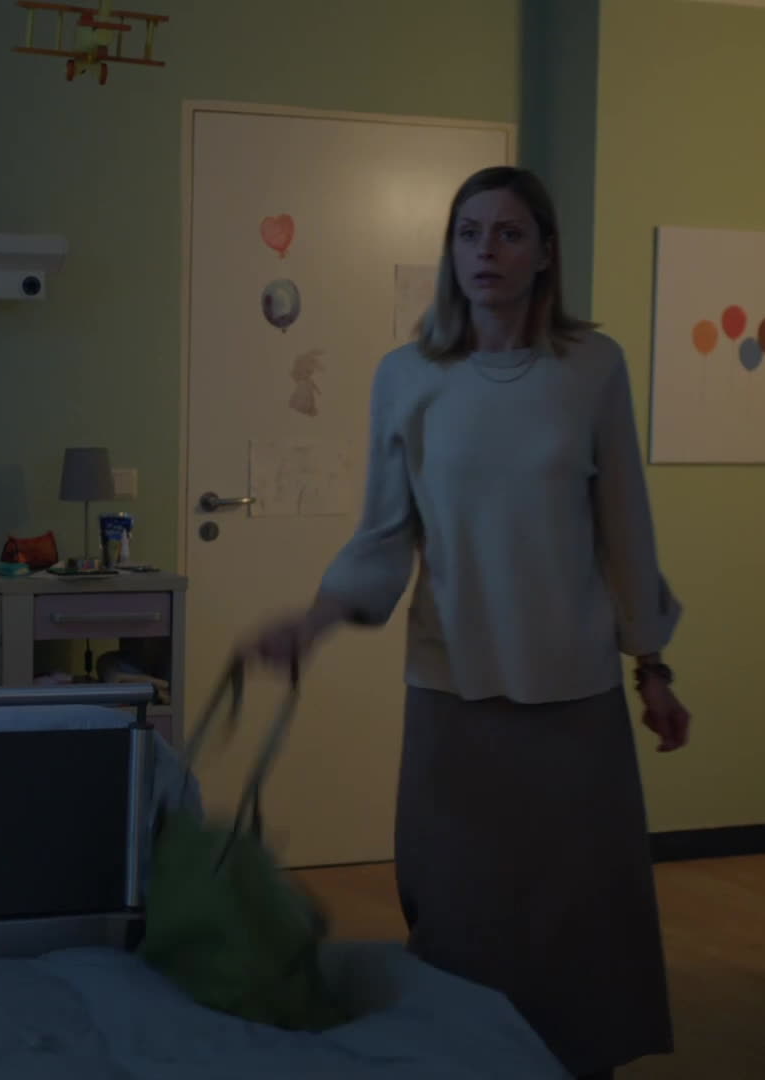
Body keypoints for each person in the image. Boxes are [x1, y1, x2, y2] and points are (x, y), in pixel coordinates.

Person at [247, 165, 691, 1079]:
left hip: (572, 691)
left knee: (580, 918)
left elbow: (625, 527)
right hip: (453, 685)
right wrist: (315, 620)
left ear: (545, 253)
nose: (486, 251)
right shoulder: (407, 376)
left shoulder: (592, 368)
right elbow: (383, 533)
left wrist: (652, 665)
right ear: (451, 252)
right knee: (458, 908)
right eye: (469, 233)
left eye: (509, 233)